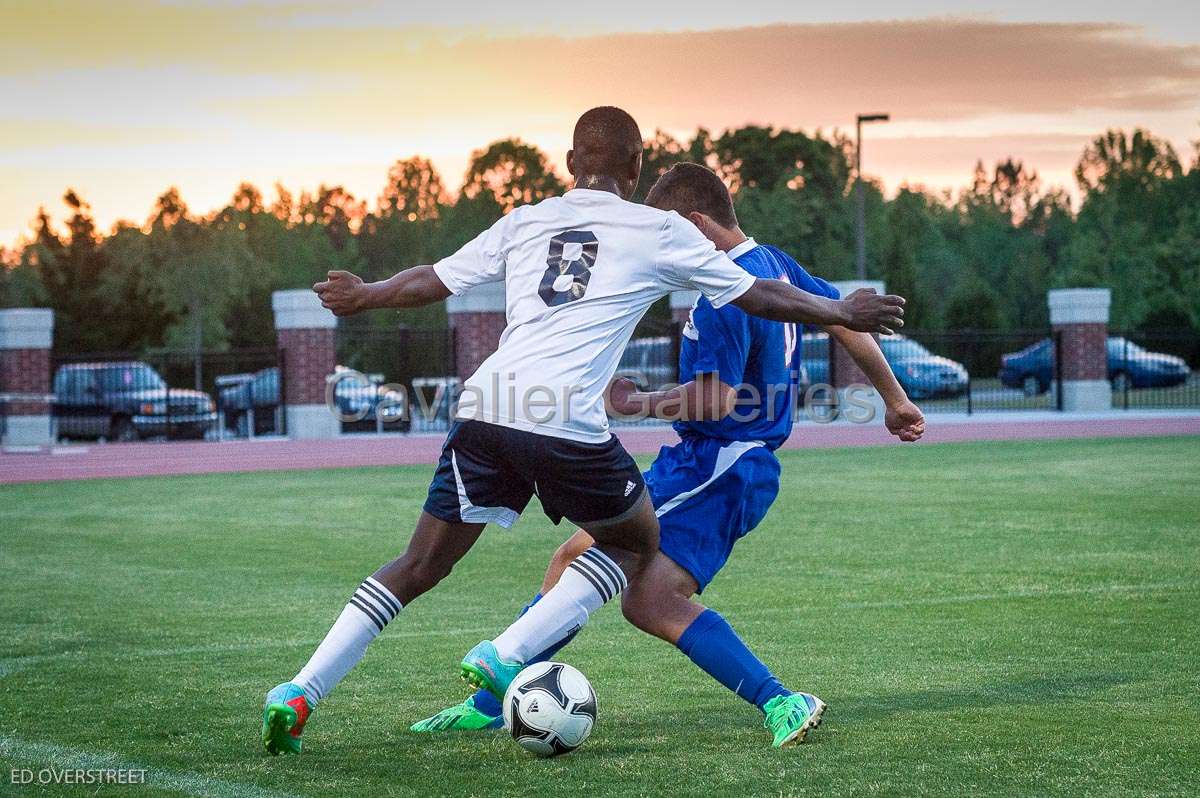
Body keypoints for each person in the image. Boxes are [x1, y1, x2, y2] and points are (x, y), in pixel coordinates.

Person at [261, 107, 906, 755]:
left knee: (430, 563)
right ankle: (501, 666)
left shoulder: (527, 218)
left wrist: (365, 293)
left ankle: (305, 690)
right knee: (627, 550)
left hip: (491, 406)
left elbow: (435, 278)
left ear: (570, 162)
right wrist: (847, 318)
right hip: (573, 421)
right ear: (635, 166)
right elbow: (767, 299)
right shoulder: (670, 234)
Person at [419, 163, 924, 748]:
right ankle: (491, 699)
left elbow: (718, 397)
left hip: (721, 461)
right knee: (636, 591)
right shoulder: (775, 264)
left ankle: (498, 673)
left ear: (696, 224)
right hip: (729, 464)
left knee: (617, 569)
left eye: (664, 229)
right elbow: (844, 320)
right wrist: (895, 399)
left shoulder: (721, 298)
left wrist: (636, 401)